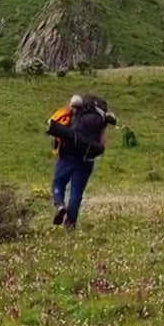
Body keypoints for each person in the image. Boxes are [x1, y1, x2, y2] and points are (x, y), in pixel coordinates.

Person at [49, 94, 115, 231]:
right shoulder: (101, 120)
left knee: (58, 183)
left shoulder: (75, 112)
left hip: (68, 155)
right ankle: (70, 224)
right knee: (76, 193)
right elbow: (102, 141)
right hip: (87, 159)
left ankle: (60, 205)